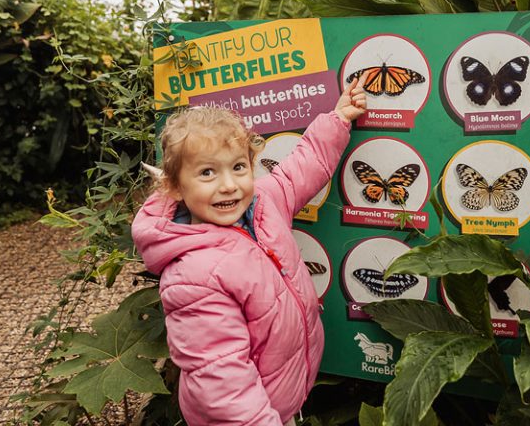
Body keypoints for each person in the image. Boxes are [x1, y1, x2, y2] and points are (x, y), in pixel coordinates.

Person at [132, 77, 367, 426]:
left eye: (238, 167)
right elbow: (223, 388)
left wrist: (338, 119)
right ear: (176, 187)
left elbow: (296, 172)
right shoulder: (194, 277)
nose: (229, 185)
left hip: (281, 397)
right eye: (208, 172)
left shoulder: (261, 203)